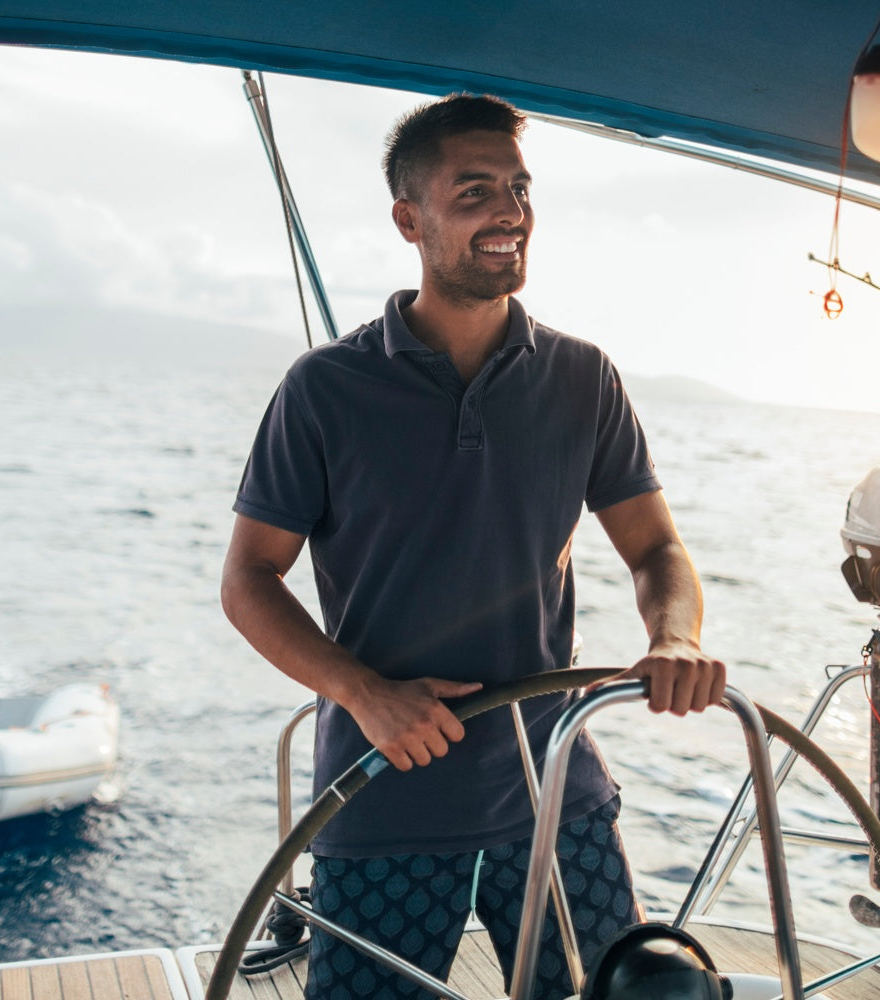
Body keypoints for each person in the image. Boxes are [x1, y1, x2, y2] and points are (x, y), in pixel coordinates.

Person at [220, 93, 725, 1000]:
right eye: (476, 191)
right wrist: (361, 693)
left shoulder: (583, 378)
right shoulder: (324, 390)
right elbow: (249, 578)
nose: (509, 213)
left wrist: (676, 637)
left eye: (520, 190)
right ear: (409, 220)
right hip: (385, 795)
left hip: (556, 789)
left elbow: (658, 553)